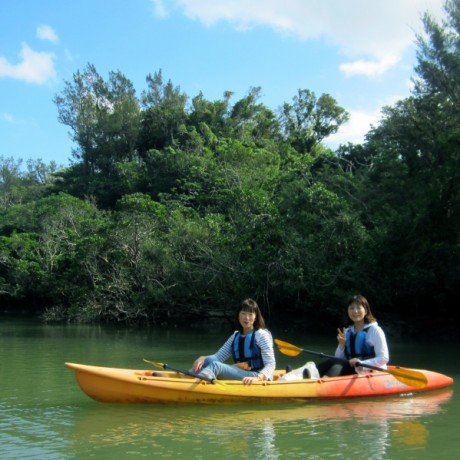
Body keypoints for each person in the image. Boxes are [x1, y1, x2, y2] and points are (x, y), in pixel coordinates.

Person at [192, 298, 276, 385]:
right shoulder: (235, 336)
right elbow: (218, 357)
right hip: (241, 373)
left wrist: (258, 378)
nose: (246, 318)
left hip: (257, 375)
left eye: (250, 314)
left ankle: (193, 384)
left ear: (255, 317)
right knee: (208, 362)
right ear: (238, 315)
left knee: (215, 366)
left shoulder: (262, 335)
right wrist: (204, 358)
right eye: (243, 313)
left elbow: (271, 364)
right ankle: (186, 377)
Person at [314, 294, 389, 378]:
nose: (355, 311)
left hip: (370, 371)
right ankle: (310, 375)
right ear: (347, 311)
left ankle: (322, 383)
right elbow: (337, 359)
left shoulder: (375, 330)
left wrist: (361, 363)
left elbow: (384, 358)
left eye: (358, 308)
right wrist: (341, 345)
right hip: (351, 370)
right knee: (335, 364)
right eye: (351, 308)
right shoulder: (348, 331)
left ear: (366, 311)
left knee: (337, 366)